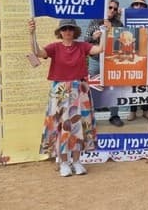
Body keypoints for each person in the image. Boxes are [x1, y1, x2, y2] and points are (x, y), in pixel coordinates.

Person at [28, 18, 105, 177]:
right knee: (62, 126)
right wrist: (32, 33)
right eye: (64, 29)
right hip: (60, 90)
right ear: (60, 32)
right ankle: (63, 162)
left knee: (78, 127)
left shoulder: (82, 46)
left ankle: (76, 161)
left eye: (70, 28)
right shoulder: (54, 47)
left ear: (75, 31)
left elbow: (100, 49)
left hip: (80, 88)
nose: (67, 31)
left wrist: (105, 32)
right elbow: (38, 52)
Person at [85, 0, 125, 127]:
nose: (112, 10)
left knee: (113, 88)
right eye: (110, 7)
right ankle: (90, 117)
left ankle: (114, 115)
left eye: (114, 8)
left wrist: (111, 30)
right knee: (91, 88)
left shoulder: (118, 23)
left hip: (111, 61)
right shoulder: (94, 21)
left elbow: (123, 42)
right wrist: (94, 37)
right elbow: (86, 40)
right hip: (95, 60)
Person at [124, 0, 148, 121]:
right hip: (132, 55)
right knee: (132, 83)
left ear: (145, 7)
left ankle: (146, 110)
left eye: (141, 4)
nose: (139, 6)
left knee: (146, 82)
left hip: (147, 55)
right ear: (132, 6)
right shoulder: (126, 18)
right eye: (136, 4)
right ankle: (132, 111)